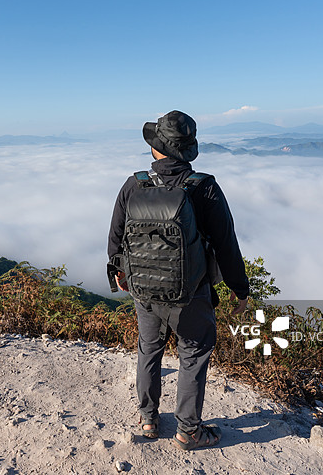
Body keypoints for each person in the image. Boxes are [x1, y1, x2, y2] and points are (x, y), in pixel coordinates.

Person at [107, 110, 250, 450]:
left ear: (157, 149)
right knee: (194, 354)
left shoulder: (134, 184)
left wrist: (122, 274)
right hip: (192, 294)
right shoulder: (204, 188)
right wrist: (240, 290)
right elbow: (227, 246)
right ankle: (188, 430)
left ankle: (148, 419)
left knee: (149, 349)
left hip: (144, 291)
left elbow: (115, 240)